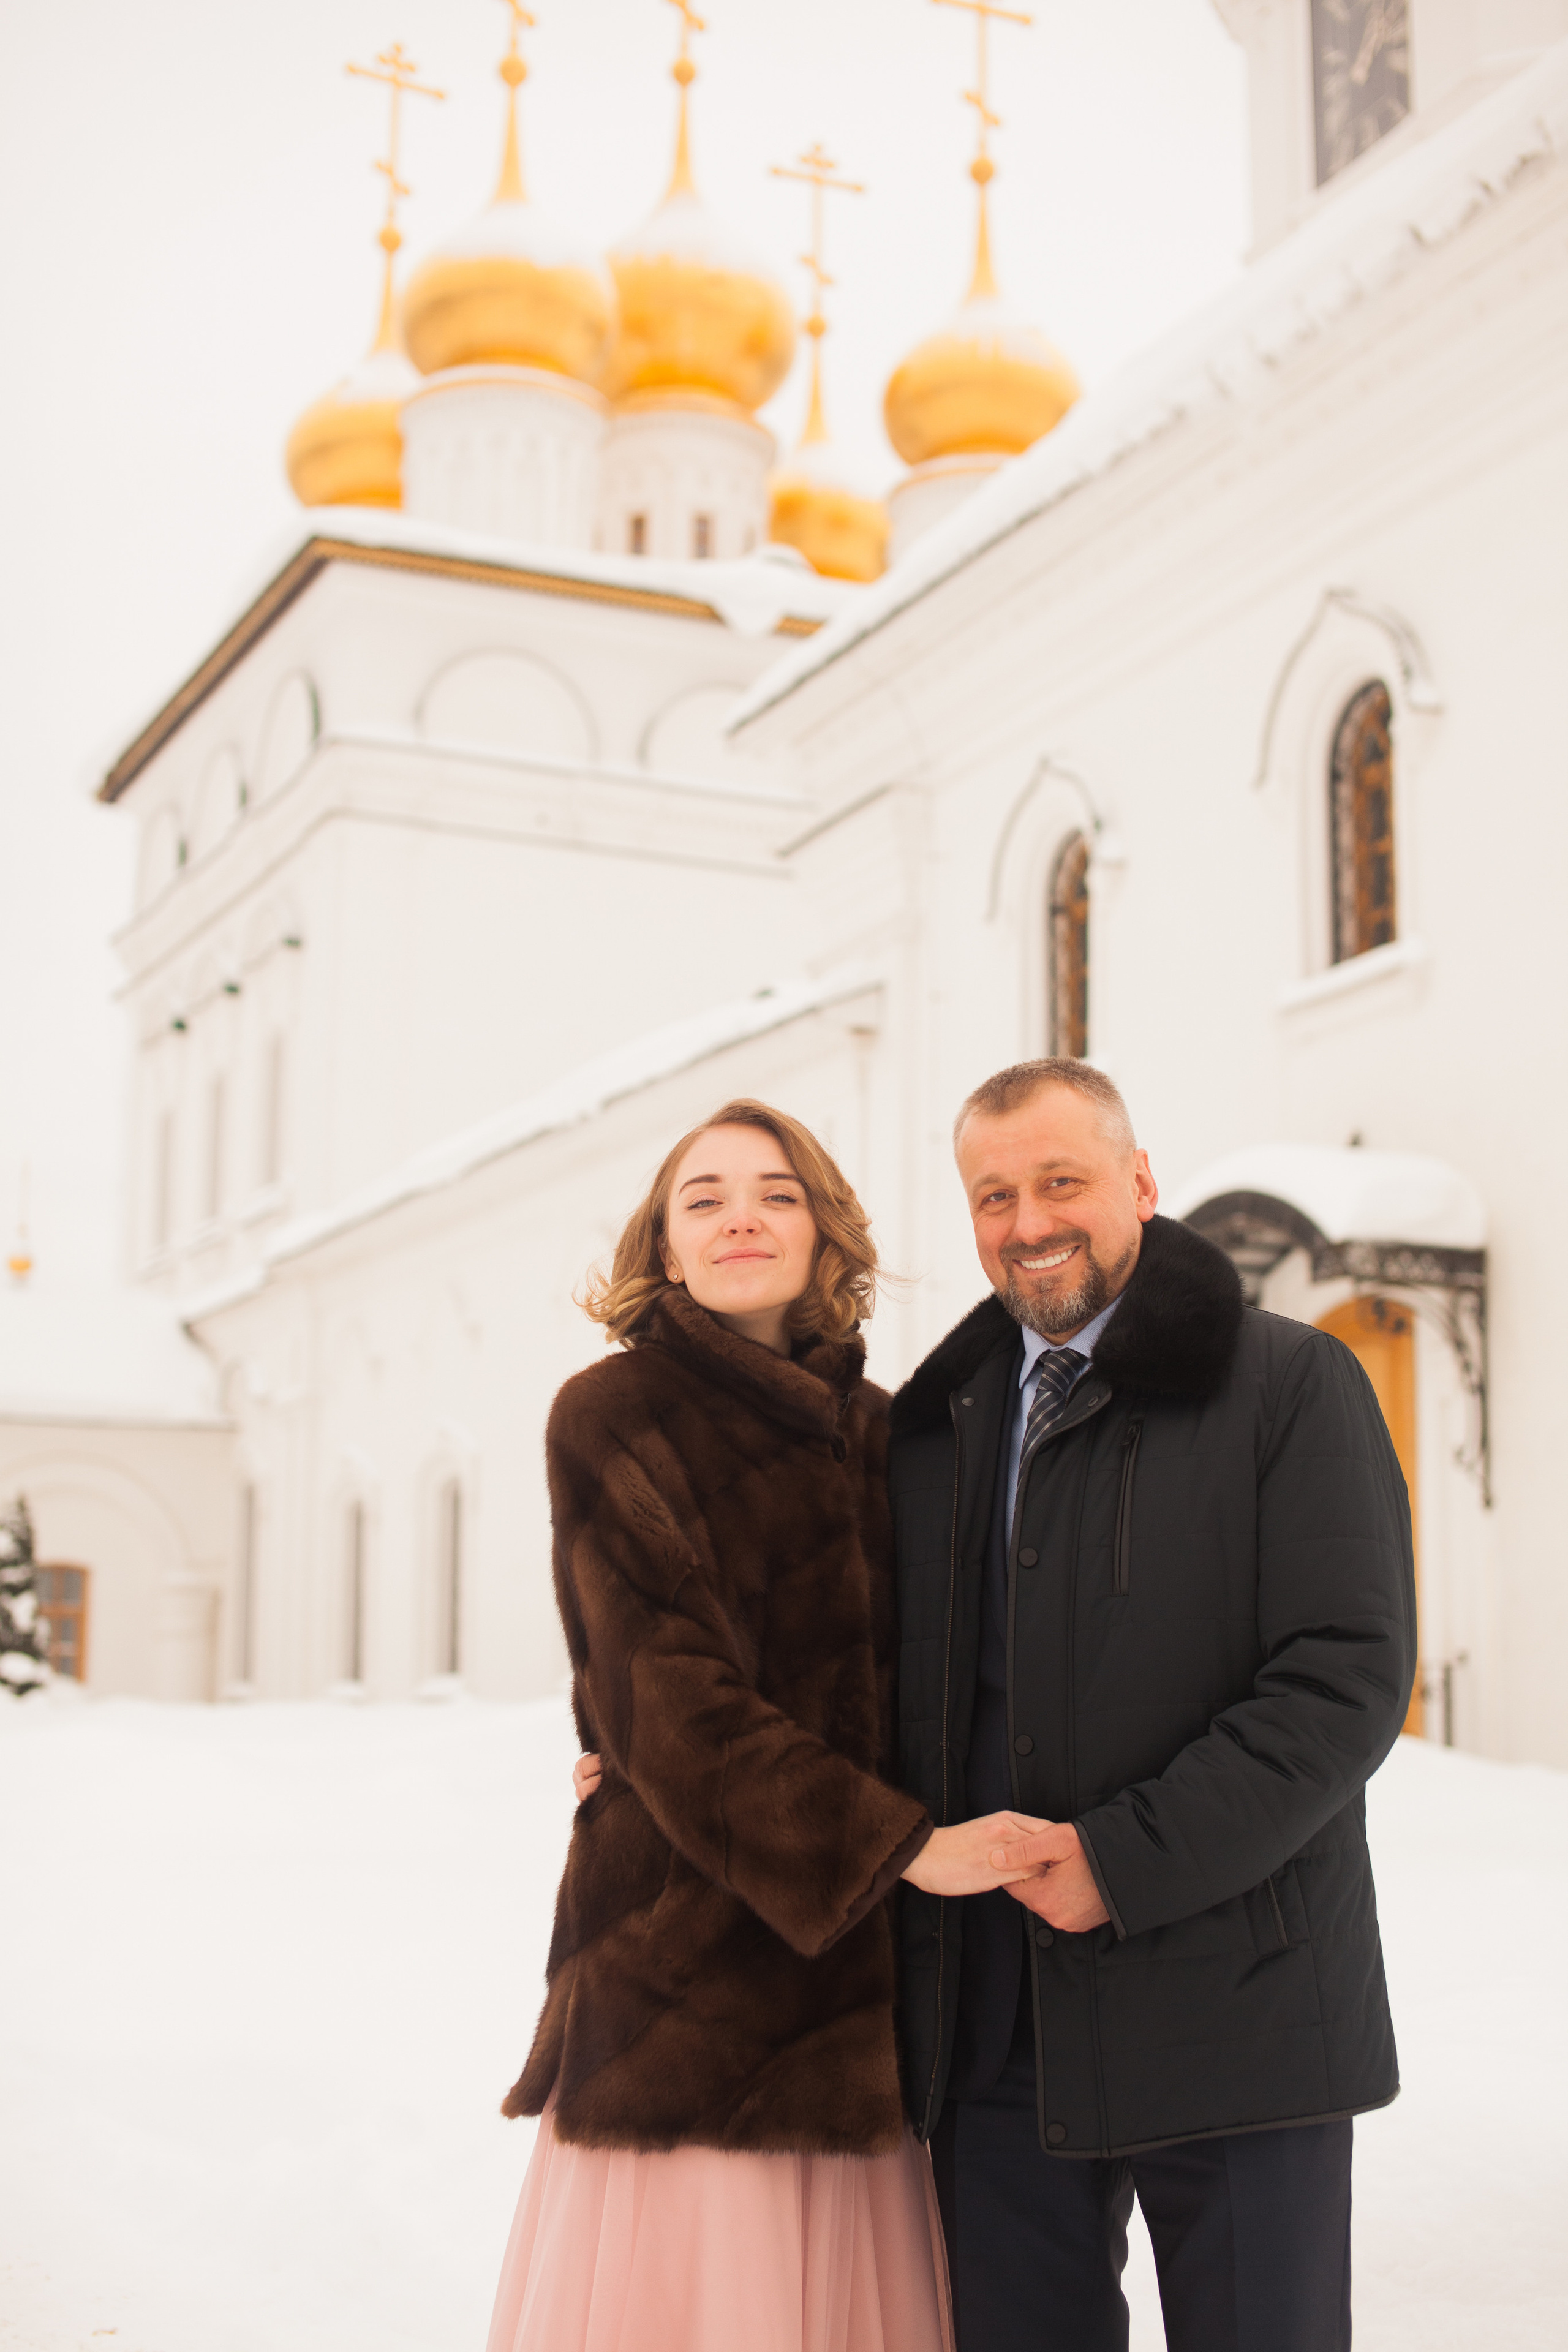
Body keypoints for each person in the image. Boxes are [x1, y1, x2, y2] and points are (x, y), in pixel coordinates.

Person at [487, 1098, 1044, 2352]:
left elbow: (946, 1672)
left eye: (777, 1194)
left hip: (860, 2008)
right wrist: (903, 1847)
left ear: (822, 1232)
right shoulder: (611, 1413)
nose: (741, 1216)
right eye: (705, 1198)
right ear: (664, 1245)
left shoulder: (886, 1430)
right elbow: (668, 1695)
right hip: (686, 1990)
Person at [891, 1057, 1415, 2352]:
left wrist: (1119, 1864)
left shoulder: (1290, 1383)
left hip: (1242, 2011)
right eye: (993, 1196)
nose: (1028, 1223)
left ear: (1138, 1182)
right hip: (1000, 2033)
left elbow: (1342, 1680)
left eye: (1060, 1182)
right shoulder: (935, 1425)